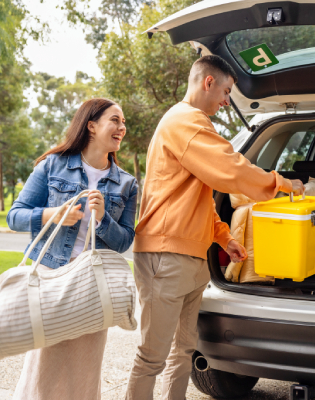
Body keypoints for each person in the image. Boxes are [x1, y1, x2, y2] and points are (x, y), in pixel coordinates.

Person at [126, 55, 304, 400]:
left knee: (184, 351)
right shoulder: (185, 122)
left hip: (189, 257)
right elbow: (232, 169)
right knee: (152, 356)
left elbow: (201, 198)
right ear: (208, 82)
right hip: (166, 256)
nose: (226, 101)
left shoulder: (190, 124)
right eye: (225, 91)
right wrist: (282, 183)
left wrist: (224, 237)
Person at [7, 98, 138, 400]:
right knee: (44, 365)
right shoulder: (52, 165)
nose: (122, 128)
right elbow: (15, 216)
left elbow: (124, 242)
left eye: (123, 122)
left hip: (94, 288)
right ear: (91, 126)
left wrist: (104, 219)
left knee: (85, 369)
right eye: (115, 120)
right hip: (51, 277)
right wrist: (53, 215)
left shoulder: (126, 184)